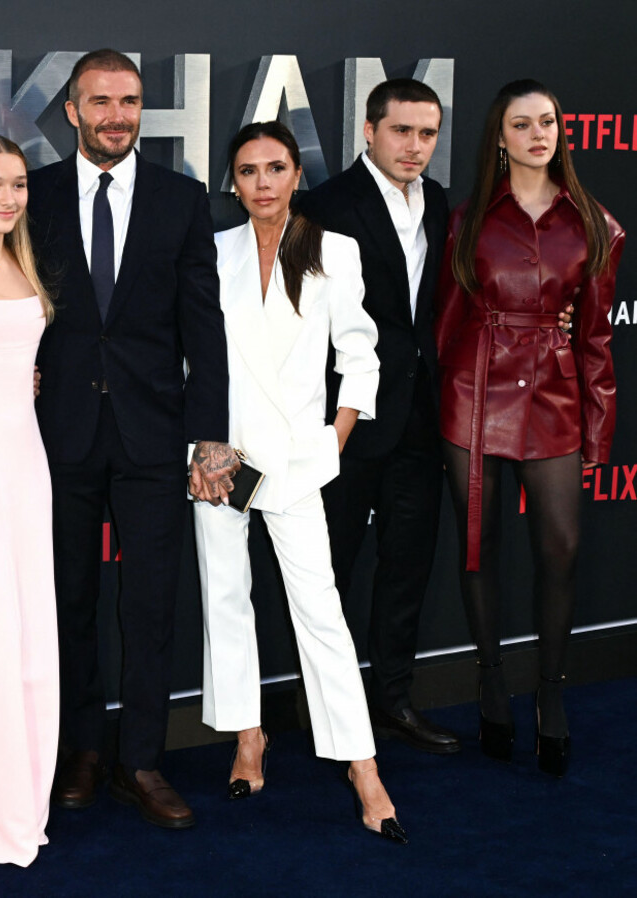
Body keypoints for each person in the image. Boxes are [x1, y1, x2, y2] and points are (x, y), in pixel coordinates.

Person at [28, 49, 237, 828]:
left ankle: (141, 760)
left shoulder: (182, 200)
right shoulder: (34, 195)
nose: (118, 114)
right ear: (72, 111)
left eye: (131, 100)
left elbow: (203, 329)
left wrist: (209, 437)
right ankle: (81, 748)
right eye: (101, 100)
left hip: (154, 438)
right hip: (58, 436)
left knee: (150, 606)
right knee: (70, 600)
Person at [191, 121, 407, 843]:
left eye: (275, 168)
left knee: (319, 609)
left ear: (295, 174)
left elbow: (361, 354)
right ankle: (248, 736)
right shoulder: (212, 251)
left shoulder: (330, 249)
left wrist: (332, 440)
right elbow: (193, 356)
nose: (262, 183)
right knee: (226, 597)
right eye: (248, 171)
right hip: (222, 459)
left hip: (293, 459)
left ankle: (362, 763)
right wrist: (203, 447)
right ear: (233, 180)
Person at [434, 79, 625, 776]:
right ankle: (490, 683)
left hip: (554, 394)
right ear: (501, 137)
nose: (539, 134)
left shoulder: (597, 226)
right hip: (473, 391)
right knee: (478, 548)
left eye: (547, 122)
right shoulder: (470, 220)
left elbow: (597, 339)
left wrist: (598, 435)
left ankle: (550, 693)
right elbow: (448, 321)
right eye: (523, 124)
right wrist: (442, 410)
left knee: (562, 551)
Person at [297, 79, 462, 754]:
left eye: (427, 134)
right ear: (369, 130)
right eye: (402, 131)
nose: (416, 147)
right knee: (325, 572)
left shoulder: (443, 203)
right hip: (346, 420)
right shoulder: (325, 204)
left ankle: (392, 701)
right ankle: (328, 713)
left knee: (407, 568)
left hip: (422, 418)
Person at [0, 134, 58, 866]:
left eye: (17, 184)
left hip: (24, 462)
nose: (8, 199)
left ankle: (17, 790)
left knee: (22, 626)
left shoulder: (19, 257)